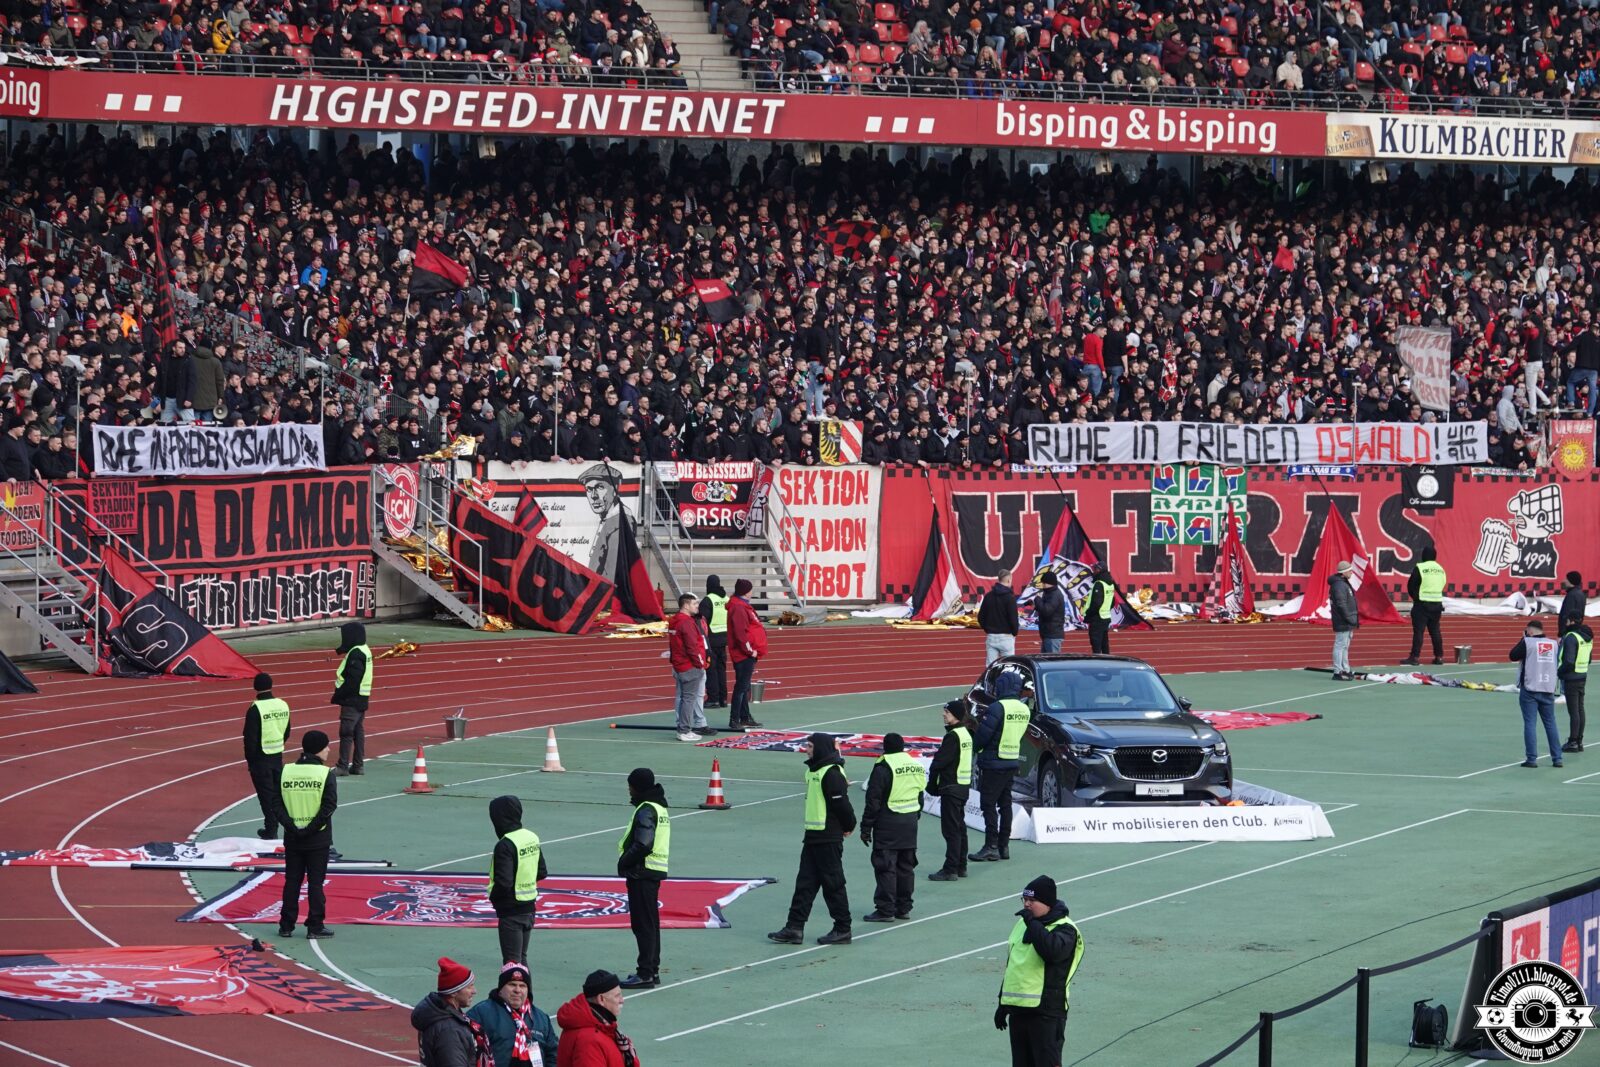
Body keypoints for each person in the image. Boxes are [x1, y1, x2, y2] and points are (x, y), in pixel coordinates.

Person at [768, 733, 855, 946]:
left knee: (833, 884)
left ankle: (843, 928)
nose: (806, 749)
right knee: (805, 884)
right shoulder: (814, 770)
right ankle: (794, 927)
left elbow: (842, 806)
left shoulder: (831, 773)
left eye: (809, 746)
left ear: (820, 748)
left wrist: (849, 826)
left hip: (828, 837)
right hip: (813, 836)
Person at [994, 875, 1084, 1067]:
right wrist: (1003, 1003)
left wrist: (1033, 924)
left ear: (1047, 903)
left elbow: (1051, 952)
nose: (1026, 904)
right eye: (1024, 899)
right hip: (1019, 1011)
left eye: (1032, 900)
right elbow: (1015, 966)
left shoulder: (1065, 929)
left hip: (1047, 1012)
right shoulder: (1023, 924)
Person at [274, 729, 336, 939]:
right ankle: (315, 925)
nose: (329, 749)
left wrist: (291, 826)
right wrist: (309, 829)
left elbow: (276, 804)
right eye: (326, 746)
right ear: (319, 749)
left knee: (292, 881)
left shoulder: (286, 771)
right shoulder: (325, 774)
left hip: (292, 837)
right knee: (315, 883)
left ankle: (286, 925)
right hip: (317, 838)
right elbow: (329, 807)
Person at [859, 732, 926, 922]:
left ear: (885, 747)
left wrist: (866, 828)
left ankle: (885, 909)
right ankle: (903, 907)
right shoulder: (915, 765)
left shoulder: (884, 766)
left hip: (888, 823)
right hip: (910, 823)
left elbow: (873, 800)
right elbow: (919, 794)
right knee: (906, 867)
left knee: (885, 867)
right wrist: (915, 815)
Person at [617, 768, 669, 989]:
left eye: (630, 786)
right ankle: (651, 970)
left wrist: (624, 862)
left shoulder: (646, 810)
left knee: (643, 925)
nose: (629, 789)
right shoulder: (659, 807)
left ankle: (646, 972)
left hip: (642, 872)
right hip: (652, 872)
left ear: (637, 786)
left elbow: (643, 843)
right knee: (651, 924)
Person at [972, 672, 1030, 862]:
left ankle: (991, 846)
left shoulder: (997, 708)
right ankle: (1003, 846)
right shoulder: (1023, 709)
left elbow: (983, 735)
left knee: (988, 804)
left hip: (993, 761)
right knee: (1005, 804)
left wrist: (975, 748)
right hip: (1012, 760)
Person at [489, 795, 547, 967]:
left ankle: (519, 994)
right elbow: (542, 871)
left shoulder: (505, 845)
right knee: (522, 958)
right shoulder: (531, 837)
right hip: (529, 907)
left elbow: (504, 882)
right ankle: (527, 994)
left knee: (512, 964)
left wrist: (495, 898)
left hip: (511, 911)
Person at [467, 962, 560, 1067]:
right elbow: (467, 1053)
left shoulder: (541, 1019)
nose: (517, 990)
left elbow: (553, 1055)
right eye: (512, 984)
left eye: (522, 986)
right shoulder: (480, 1014)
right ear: (501, 989)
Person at [413, 957, 494, 1067]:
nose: (474, 991)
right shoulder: (449, 1030)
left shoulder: (436, 1015)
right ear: (453, 992)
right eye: (469, 986)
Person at [927, 699, 974, 881]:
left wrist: (932, 785)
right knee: (960, 828)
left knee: (951, 830)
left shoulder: (953, 737)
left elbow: (939, 762)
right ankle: (961, 866)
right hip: (963, 787)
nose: (943, 714)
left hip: (951, 788)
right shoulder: (966, 735)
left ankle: (950, 869)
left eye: (946, 712)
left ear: (955, 715)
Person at [242, 671, 290, 839]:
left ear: (255, 687)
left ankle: (271, 829)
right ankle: (281, 827)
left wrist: (250, 760)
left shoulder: (256, 709)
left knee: (265, 796)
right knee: (277, 794)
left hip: (260, 759)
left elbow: (250, 738)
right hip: (277, 754)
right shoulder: (283, 705)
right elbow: (287, 730)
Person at [555, 971, 639, 1067]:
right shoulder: (589, 1041)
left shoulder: (604, 1028)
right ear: (601, 999)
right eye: (617, 996)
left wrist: (629, 1059)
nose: (622, 1000)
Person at [1509, 620, 1563, 769]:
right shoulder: (1553, 644)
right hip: (1548, 688)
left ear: (1530, 632)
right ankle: (1557, 758)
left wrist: (1523, 638)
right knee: (1550, 724)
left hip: (1530, 688)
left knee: (1530, 723)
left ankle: (1532, 759)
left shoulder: (1527, 642)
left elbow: (1512, 655)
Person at [330, 621, 371, 775]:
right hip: (362, 697)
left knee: (347, 732)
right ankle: (358, 765)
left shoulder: (356, 653)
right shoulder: (364, 649)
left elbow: (353, 679)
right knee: (358, 732)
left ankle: (342, 766)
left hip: (351, 699)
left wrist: (338, 695)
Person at [726, 578, 767, 730]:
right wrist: (750, 651)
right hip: (743, 654)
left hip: (745, 652)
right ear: (746, 591)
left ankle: (744, 717)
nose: (752, 592)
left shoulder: (741, 606)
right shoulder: (739, 608)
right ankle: (734, 719)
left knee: (744, 687)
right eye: (750, 589)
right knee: (741, 687)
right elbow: (740, 633)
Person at [667, 593, 708, 742]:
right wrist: (700, 664)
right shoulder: (687, 623)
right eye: (695, 604)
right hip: (689, 666)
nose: (697, 606)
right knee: (689, 699)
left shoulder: (674, 621)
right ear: (686, 605)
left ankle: (682, 728)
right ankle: (684, 730)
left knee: (683, 698)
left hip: (678, 664)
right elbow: (692, 646)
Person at [1402, 545, 1446, 666]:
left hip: (1422, 605)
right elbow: (1443, 584)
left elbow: (1411, 585)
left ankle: (1414, 657)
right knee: (1435, 631)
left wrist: (1416, 597)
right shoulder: (1440, 569)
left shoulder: (1420, 567)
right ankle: (1439, 657)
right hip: (1437, 604)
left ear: (1423, 555)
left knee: (1419, 632)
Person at [1559, 618, 1592, 753]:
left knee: (1574, 711)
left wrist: (1559, 672)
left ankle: (1573, 741)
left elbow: (1568, 661)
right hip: (1582, 674)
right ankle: (1579, 741)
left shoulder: (1571, 637)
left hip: (1571, 678)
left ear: (1571, 621)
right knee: (1580, 709)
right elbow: (1589, 659)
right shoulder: (1586, 637)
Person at [698, 575, 730, 709]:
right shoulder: (726, 599)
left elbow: (703, 621)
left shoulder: (708, 600)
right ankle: (723, 698)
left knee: (711, 669)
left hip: (711, 639)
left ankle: (713, 698)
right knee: (722, 670)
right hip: (725, 637)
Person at [979, 571, 1019, 665]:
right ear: (1009, 580)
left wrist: (988, 629)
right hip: (1006, 637)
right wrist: (1014, 632)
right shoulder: (1010, 598)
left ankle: (990, 680)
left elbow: (981, 617)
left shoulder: (988, 596)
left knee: (990, 667)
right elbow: (1013, 619)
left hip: (992, 636)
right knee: (1009, 667)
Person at [1329, 560, 1360, 681]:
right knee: (1340, 645)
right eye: (1350, 570)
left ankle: (1345, 669)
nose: (1352, 572)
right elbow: (1341, 604)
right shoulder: (1340, 585)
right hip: (1343, 620)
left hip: (1346, 620)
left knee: (1344, 646)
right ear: (1344, 572)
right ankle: (1338, 671)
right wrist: (1349, 618)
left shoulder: (1342, 583)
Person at [1085, 565, 1115, 656]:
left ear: (1099, 570)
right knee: (1104, 643)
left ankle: (1098, 662)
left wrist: (1089, 615)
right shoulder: (1110, 583)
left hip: (1097, 618)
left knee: (1096, 643)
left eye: (1095, 569)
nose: (1094, 571)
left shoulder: (1099, 584)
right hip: (1106, 616)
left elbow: (1096, 603)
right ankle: (1108, 661)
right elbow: (1112, 601)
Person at [1034, 572, 1065, 654]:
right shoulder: (1049, 593)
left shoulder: (1055, 595)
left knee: (1053, 663)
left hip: (1053, 635)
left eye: (1044, 583)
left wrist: (1038, 600)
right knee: (1045, 662)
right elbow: (1045, 608)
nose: (1042, 585)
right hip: (1048, 634)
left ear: (1050, 583)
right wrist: (1036, 605)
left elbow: (1047, 610)